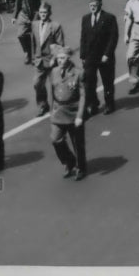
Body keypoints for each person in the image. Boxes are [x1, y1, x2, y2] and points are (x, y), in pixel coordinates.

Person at [48, 45, 87, 180]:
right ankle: (69, 161)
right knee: (55, 139)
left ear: (69, 58)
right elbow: (52, 92)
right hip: (58, 111)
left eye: (63, 58)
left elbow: (83, 95)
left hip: (73, 113)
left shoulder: (78, 73)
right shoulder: (54, 72)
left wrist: (80, 116)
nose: (60, 60)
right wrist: (51, 110)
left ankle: (81, 168)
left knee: (78, 143)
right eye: (58, 58)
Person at [80, 0, 119, 116]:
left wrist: (107, 54)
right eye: (91, 5)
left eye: (95, 5)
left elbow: (113, 38)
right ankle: (93, 103)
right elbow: (84, 38)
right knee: (89, 82)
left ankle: (109, 104)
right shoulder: (85, 18)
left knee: (107, 81)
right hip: (90, 56)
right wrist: (83, 55)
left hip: (104, 56)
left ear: (100, 5)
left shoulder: (109, 18)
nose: (93, 8)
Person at [32, 3, 65, 117]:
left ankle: (56, 107)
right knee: (37, 83)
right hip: (39, 60)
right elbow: (33, 42)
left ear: (49, 13)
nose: (43, 15)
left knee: (54, 85)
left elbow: (60, 45)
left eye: (45, 13)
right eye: (41, 13)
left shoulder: (55, 26)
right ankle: (42, 105)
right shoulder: (35, 25)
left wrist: (55, 59)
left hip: (51, 61)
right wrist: (34, 56)